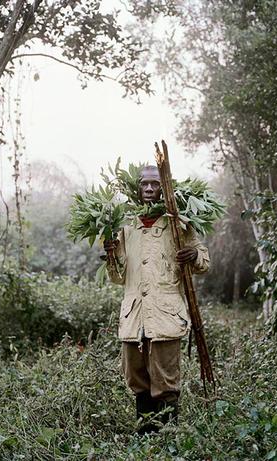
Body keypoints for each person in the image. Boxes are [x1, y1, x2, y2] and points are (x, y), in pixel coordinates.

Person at [104, 165, 210, 434]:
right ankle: (145, 435)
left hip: (166, 315)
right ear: (137, 189)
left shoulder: (178, 223)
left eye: (154, 184)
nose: (149, 189)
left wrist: (193, 256)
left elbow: (204, 262)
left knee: (165, 379)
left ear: (164, 188)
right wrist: (110, 254)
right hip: (134, 317)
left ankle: (169, 437)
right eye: (144, 185)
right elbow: (118, 277)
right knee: (136, 378)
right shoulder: (127, 226)